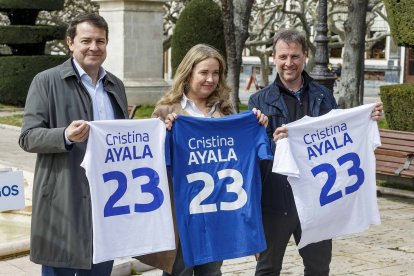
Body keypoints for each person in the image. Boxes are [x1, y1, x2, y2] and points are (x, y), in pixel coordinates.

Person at [248, 28, 383, 275]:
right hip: (276, 199)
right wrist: (275, 143)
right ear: (274, 58)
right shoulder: (259, 101)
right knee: (267, 268)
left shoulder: (324, 95)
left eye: (295, 56)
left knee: (319, 267)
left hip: (317, 199)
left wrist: (366, 119)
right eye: (283, 57)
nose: (289, 63)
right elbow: (256, 150)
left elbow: (341, 134)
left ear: (305, 56)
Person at [136, 43, 267, 276]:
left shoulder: (226, 111)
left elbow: (240, 153)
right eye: (204, 72)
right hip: (182, 214)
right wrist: (164, 134)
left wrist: (255, 125)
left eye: (216, 73)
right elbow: (152, 160)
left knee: (212, 271)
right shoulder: (167, 110)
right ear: (188, 74)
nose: (210, 79)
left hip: (217, 211)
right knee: (179, 270)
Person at [18, 13, 129, 276]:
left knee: (101, 270)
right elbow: (27, 137)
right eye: (86, 40)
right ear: (70, 42)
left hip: (107, 199)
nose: (94, 47)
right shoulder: (46, 81)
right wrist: (65, 136)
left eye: (100, 41)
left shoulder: (116, 85)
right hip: (64, 198)